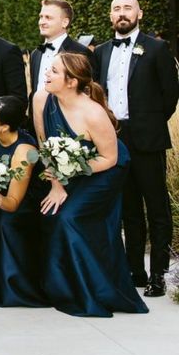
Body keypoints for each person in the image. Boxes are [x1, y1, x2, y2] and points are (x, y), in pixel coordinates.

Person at [32, 52, 148, 318]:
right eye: (48, 69)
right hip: (66, 169)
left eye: (54, 72)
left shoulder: (93, 113)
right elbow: (44, 145)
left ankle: (96, 291)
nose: (47, 74)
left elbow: (110, 157)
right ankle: (61, 288)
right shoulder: (41, 100)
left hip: (105, 169)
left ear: (71, 82)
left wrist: (71, 171)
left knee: (71, 218)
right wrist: (56, 185)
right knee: (50, 215)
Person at [93, 0, 179, 297]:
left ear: (139, 13)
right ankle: (135, 271)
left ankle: (159, 274)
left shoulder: (157, 48)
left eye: (127, 7)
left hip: (147, 137)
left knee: (156, 208)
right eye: (116, 8)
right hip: (114, 139)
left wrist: (149, 122)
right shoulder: (101, 52)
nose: (121, 13)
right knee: (128, 208)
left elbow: (170, 94)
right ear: (110, 15)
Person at [0, 95, 47, 308]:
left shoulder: (24, 151)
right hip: (1, 194)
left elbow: (14, 202)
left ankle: (14, 286)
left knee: (4, 224)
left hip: (26, 202)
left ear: (5, 126)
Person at [29, 0, 93, 96]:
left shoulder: (80, 53)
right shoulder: (35, 54)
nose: (41, 22)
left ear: (65, 22)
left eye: (48, 17)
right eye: (41, 17)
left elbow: (88, 93)